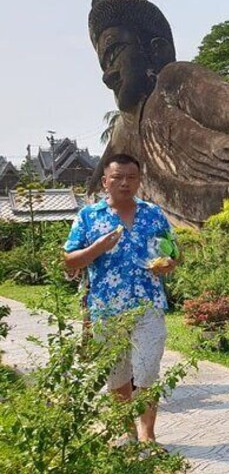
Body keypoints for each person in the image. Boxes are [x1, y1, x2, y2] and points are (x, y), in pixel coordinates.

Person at [64, 153, 177, 444]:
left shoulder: (153, 213)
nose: (125, 183)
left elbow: (174, 252)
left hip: (148, 305)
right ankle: (127, 435)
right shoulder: (89, 216)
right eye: (118, 177)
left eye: (131, 177)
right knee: (117, 376)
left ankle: (148, 435)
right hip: (106, 309)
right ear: (105, 181)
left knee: (148, 369)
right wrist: (96, 249)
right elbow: (69, 260)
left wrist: (169, 262)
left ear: (140, 180)